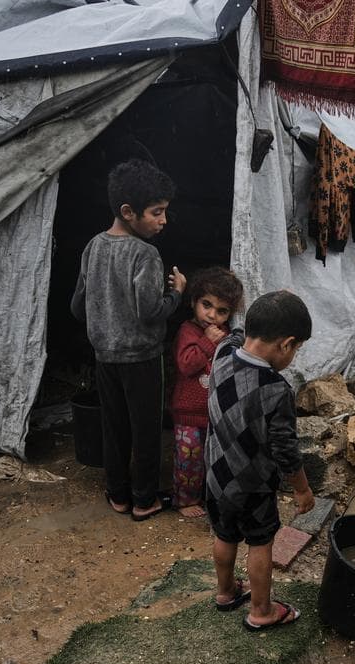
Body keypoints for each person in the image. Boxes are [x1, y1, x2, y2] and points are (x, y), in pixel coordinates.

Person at [70, 158, 186, 522]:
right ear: (128, 211)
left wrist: (104, 318)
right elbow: (150, 312)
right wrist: (177, 295)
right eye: (157, 212)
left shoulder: (93, 246)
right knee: (147, 429)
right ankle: (145, 499)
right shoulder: (145, 254)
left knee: (114, 426)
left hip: (105, 356)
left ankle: (117, 494)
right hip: (142, 359)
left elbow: (77, 306)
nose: (164, 221)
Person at [205, 290, 316, 630]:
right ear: (286, 343)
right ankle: (261, 610)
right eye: (296, 349)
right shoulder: (275, 389)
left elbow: (238, 335)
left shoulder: (222, 353)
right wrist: (302, 491)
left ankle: (225, 592)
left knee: (223, 534)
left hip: (216, 476)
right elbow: (285, 450)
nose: (294, 356)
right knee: (259, 541)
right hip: (252, 485)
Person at [170, 267, 245, 519]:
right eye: (206, 305)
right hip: (187, 412)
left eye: (222, 311)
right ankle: (185, 500)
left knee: (212, 457)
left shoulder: (225, 336)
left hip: (214, 412)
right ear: (193, 302)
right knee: (188, 459)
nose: (212, 315)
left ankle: (208, 494)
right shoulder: (188, 332)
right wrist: (207, 342)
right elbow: (186, 364)